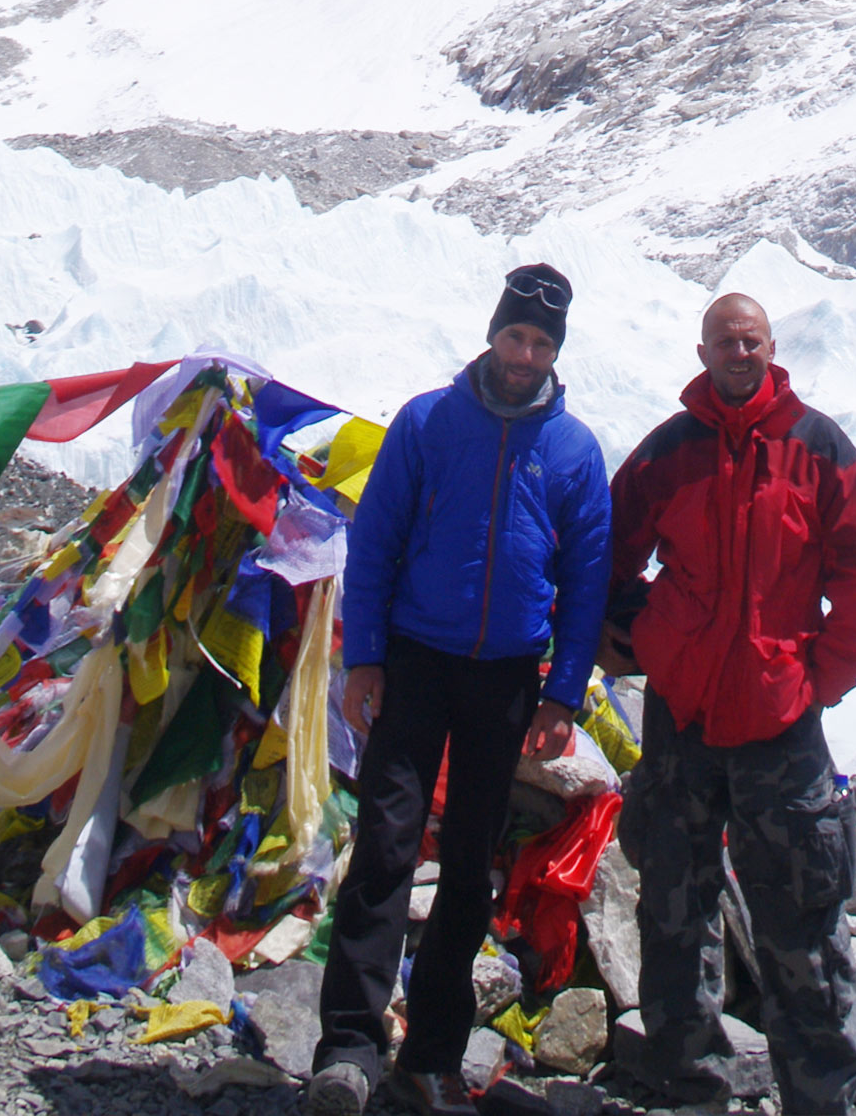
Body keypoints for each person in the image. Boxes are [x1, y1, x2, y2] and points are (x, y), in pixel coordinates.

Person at [305, 264, 612, 1116]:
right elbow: (375, 545)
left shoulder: (574, 451)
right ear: (493, 334)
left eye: (541, 343)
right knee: (387, 845)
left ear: (555, 353)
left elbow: (586, 582)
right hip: (416, 663)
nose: (524, 354)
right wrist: (364, 658)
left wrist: (562, 695)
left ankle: (433, 1056)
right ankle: (349, 1048)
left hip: (507, 679)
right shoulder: (428, 423)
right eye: (515, 336)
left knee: (473, 867)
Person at [603, 293, 856, 1115]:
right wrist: (639, 641)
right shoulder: (668, 452)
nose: (739, 353)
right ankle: (687, 1088)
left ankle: (821, 1095)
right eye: (725, 342)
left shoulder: (819, 448)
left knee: (801, 917)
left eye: (752, 340)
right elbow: (607, 556)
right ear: (702, 354)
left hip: (779, 720)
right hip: (682, 719)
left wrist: (819, 679)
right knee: (672, 906)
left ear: (772, 349)